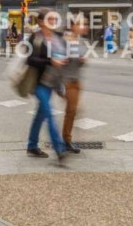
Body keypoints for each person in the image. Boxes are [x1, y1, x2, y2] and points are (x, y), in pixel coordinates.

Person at [26, 8, 68, 161]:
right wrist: (50, 61)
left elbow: (62, 62)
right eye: (50, 20)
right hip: (38, 82)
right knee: (49, 113)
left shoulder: (58, 38)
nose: (53, 22)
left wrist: (60, 86)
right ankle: (59, 149)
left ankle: (32, 145)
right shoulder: (35, 38)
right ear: (41, 22)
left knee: (41, 114)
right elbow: (29, 60)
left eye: (54, 20)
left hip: (52, 82)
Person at [61, 16, 89, 154]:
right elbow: (57, 58)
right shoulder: (64, 41)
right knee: (71, 110)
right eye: (80, 24)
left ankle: (66, 139)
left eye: (84, 24)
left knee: (72, 111)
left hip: (77, 80)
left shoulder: (82, 41)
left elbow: (82, 59)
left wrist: (83, 60)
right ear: (72, 26)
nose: (83, 26)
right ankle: (65, 140)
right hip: (67, 81)